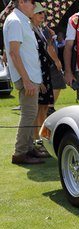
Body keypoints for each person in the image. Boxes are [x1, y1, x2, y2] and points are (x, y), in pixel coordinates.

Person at [3, 0, 45, 164]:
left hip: (30, 76)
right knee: (28, 115)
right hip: (26, 77)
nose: (35, 6)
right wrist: (26, 80)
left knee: (31, 114)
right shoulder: (15, 20)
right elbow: (14, 53)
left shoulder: (21, 20)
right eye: (32, 2)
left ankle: (28, 149)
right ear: (21, 2)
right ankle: (20, 153)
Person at [30, 3, 60, 137]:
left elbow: (46, 48)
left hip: (45, 70)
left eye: (43, 13)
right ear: (32, 15)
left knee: (44, 106)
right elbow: (33, 55)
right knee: (37, 108)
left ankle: (40, 138)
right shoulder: (29, 30)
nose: (42, 15)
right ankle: (36, 139)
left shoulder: (40, 29)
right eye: (39, 13)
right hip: (37, 72)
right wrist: (38, 79)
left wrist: (49, 39)